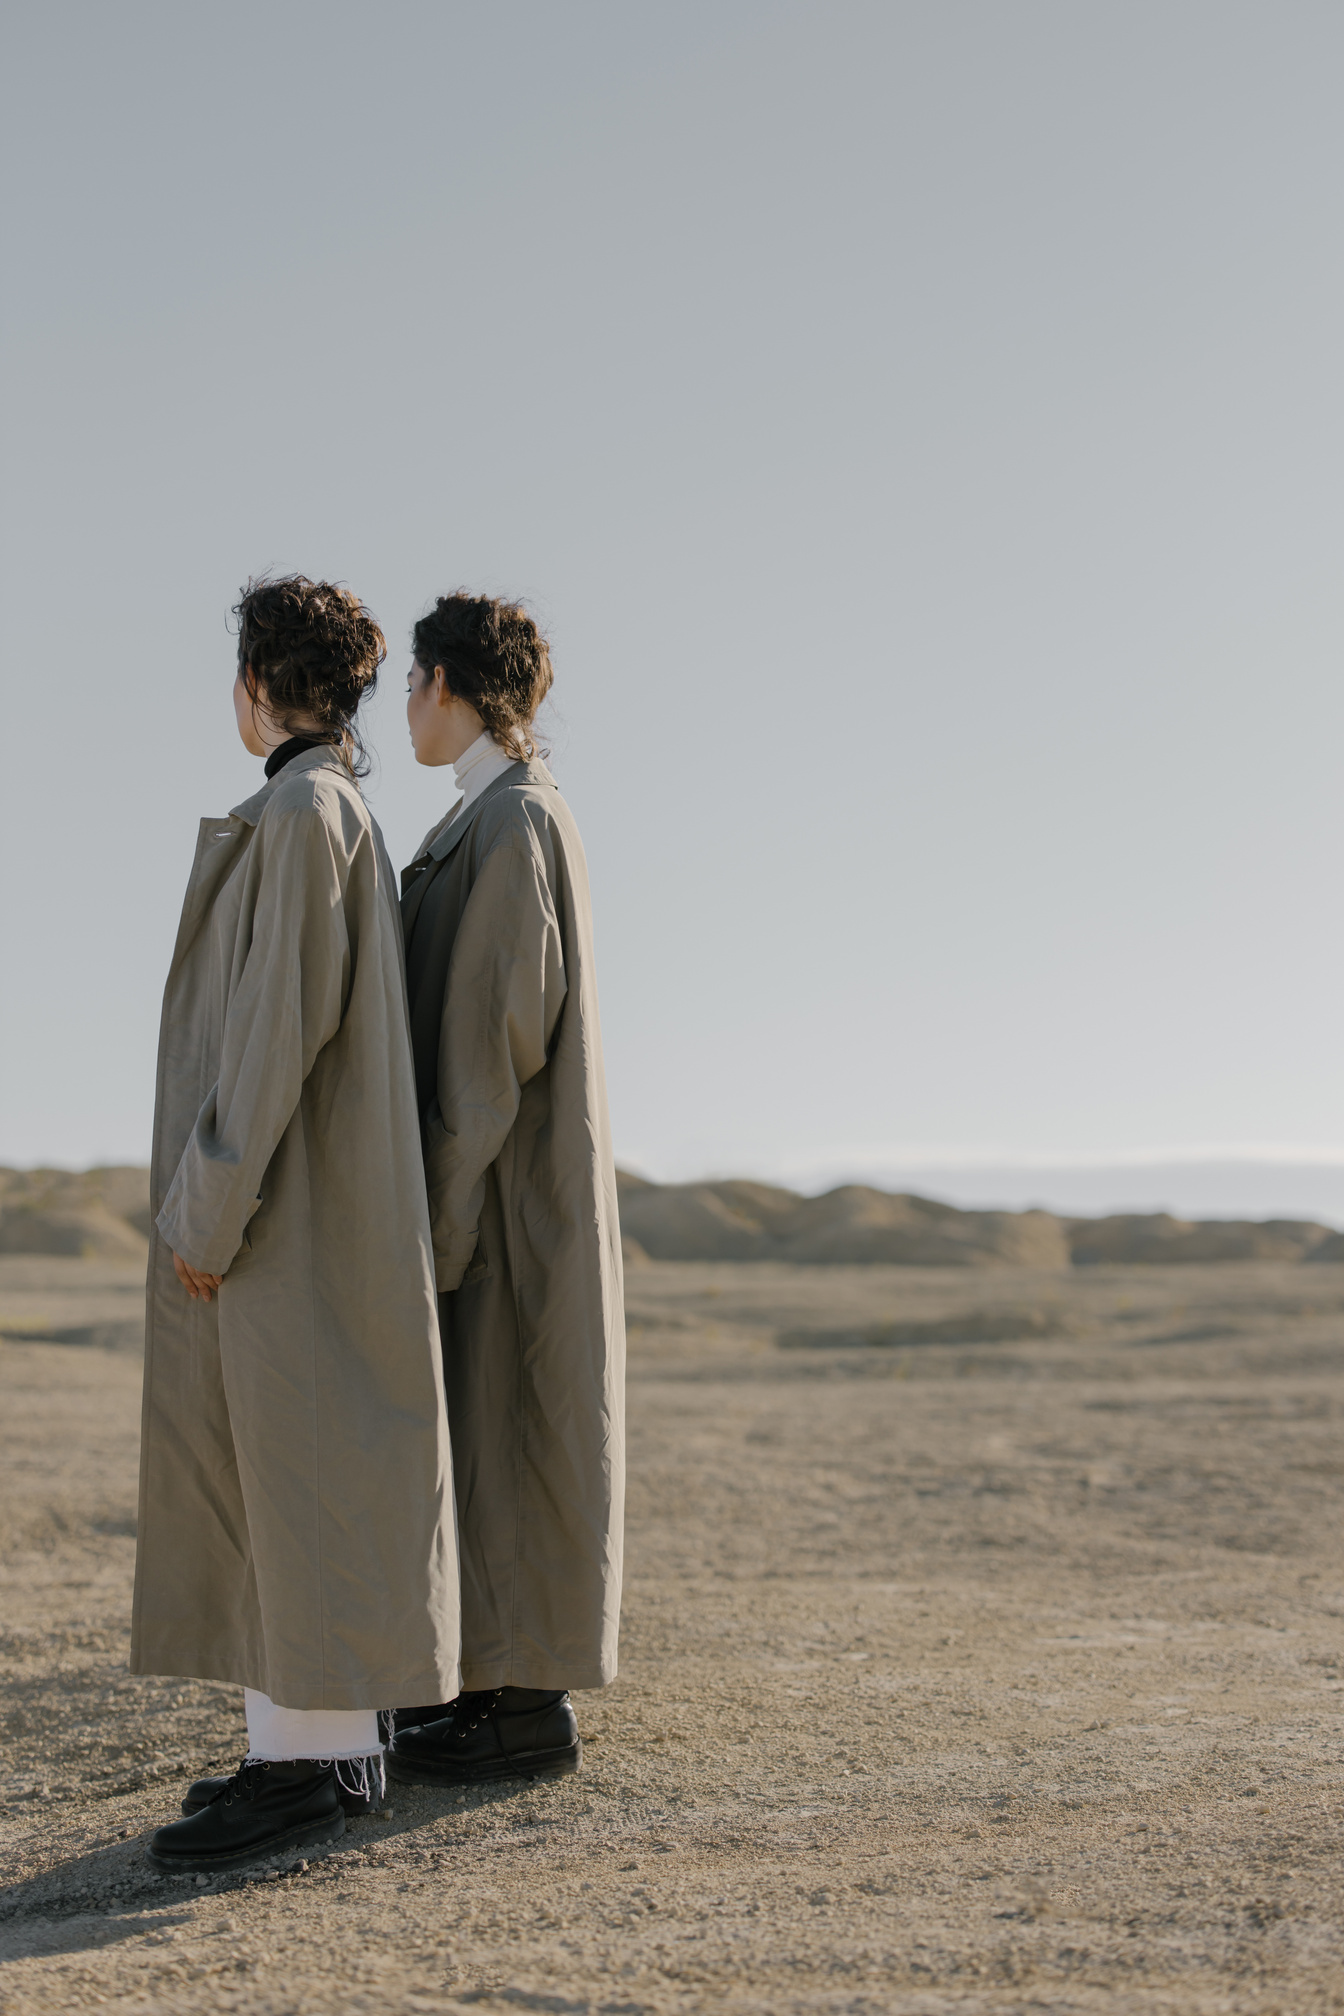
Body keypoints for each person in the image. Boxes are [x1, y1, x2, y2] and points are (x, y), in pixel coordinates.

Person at [132, 575, 459, 1873]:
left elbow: (273, 1037)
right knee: (289, 1477)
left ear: (259, 685)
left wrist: (206, 1215)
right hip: (306, 1205)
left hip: (284, 1216)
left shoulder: (304, 812)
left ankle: (310, 1768)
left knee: (295, 1475)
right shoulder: (332, 809)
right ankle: (312, 1750)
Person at [389, 592, 625, 1787]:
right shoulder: (493, 813)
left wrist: (432, 1216)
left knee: (521, 1422)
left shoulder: (513, 819)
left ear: (447, 684)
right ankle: (491, 1689)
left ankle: (527, 1708)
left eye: (411, 683)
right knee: (494, 1429)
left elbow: (491, 1041)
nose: (403, 708)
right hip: (494, 1183)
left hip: (503, 1192)